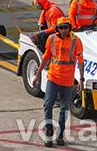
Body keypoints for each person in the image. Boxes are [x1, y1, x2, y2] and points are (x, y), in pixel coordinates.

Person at [32, 17, 84, 148]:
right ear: (57, 29)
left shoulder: (76, 41)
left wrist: (81, 80)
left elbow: (81, 61)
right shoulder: (52, 39)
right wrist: (37, 75)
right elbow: (46, 58)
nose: (64, 30)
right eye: (61, 28)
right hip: (53, 77)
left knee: (64, 108)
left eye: (66, 27)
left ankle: (60, 134)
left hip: (67, 80)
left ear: (69, 27)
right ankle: (49, 133)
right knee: (47, 105)